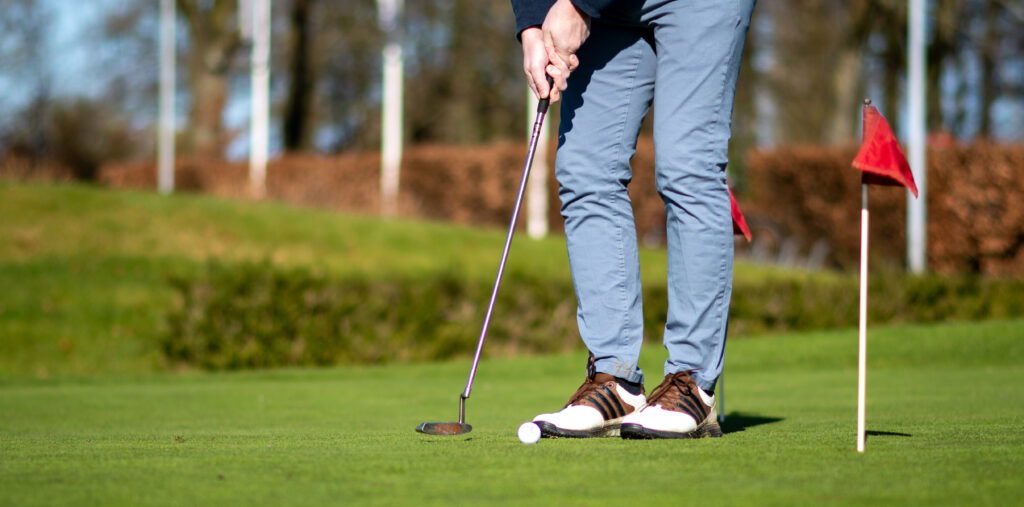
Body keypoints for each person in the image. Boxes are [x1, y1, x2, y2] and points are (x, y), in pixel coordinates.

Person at [510, 0, 756, 439]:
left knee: (687, 166)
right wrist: (532, 22)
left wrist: (574, 4)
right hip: (610, 9)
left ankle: (692, 383)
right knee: (586, 169)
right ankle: (615, 381)